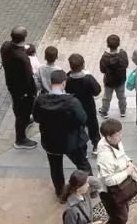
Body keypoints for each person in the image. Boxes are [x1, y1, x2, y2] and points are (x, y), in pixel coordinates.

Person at [33, 68, 93, 198]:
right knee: (83, 165)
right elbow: (83, 118)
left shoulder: (40, 100)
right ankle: (90, 189)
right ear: (64, 83)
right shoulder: (71, 102)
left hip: (51, 141)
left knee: (55, 168)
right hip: (72, 141)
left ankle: (60, 192)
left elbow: (36, 118)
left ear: (51, 82)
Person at [1, 26, 39, 149]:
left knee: (19, 108)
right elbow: (29, 78)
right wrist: (33, 92)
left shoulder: (5, 46)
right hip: (23, 91)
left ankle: (26, 120)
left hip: (12, 85)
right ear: (24, 38)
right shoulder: (23, 58)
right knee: (22, 113)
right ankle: (20, 140)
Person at [99, 34, 129, 119]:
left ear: (108, 45)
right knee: (121, 96)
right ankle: (123, 111)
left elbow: (102, 70)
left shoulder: (105, 57)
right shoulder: (123, 54)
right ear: (118, 44)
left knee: (107, 97)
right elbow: (126, 65)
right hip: (120, 80)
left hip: (109, 82)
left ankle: (104, 111)